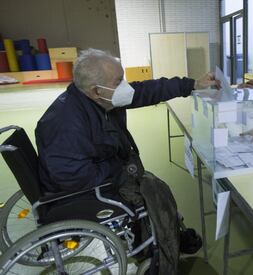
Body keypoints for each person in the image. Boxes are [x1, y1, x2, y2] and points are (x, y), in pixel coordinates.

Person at [35, 48, 218, 274]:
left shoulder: (99, 99)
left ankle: (166, 235)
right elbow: (72, 176)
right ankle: (163, 250)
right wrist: (121, 170)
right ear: (95, 90)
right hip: (81, 192)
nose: (125, 86)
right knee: (154, 193)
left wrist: (191, 85)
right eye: (119, 80)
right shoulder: (66, 124)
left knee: (153, 185)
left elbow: (146, 90)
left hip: (99, 171)